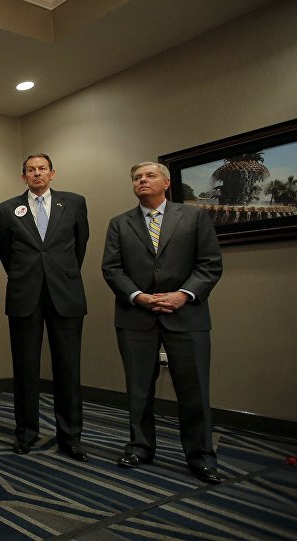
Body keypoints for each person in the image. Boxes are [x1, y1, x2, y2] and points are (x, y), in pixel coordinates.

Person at [102, 161, 224, 484]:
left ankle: (201, 457)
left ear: (166, 183)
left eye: (149, 175)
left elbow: (210, 264)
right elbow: (111, 269)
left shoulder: (195, 217)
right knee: (139, 388)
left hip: (186, 315)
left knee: (194, 389)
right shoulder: (119, 223)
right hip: (135, 316)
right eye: (137, 178)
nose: (142, 180)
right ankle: (140, 447)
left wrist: (183, 295)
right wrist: (138, 296)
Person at [0, 153, 89, 461]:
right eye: (30, 170)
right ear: (24, 177)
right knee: (25, 370)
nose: (36, 174)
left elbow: (80, 245)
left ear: (52, 173)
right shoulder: (7, 209)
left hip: (66, 294)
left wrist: (58, 273)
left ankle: (71, 437)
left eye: (42, 169)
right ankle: (26, 433)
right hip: (25, 296)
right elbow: (7, 254)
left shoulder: (74, 203)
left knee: (68, 369)